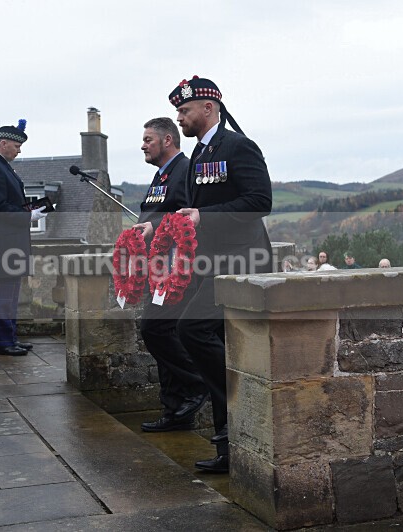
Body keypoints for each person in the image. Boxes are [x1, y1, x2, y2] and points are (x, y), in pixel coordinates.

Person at [170, 76, 273, 473]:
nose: (179, 117)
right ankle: (229, 450)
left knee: (191, 330)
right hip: (210, 262)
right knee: (217, 343)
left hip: (242, 259)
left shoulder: (237, 146)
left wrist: (203, 217)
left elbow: (260, 201)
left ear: (208, 107)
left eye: (184, 110)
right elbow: (191, 208)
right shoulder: (198, 155)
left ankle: (241, 398)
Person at [131, 117, 208, 433]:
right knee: (164, 334)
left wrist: (155, 229)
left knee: (155, 328)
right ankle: (176, 411)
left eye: (148, 139)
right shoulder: (161, 176)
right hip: (157, 267)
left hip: (178, 269)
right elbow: (156, 213)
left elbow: (190, 220)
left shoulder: (186, 171)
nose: (143, 145)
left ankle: (198, 382)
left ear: (167, 140)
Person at [0, 121, 46, 356]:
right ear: (3, 143)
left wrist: (30, 208)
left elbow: (9, 202)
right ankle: (4, 342)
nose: (19, 150)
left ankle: (11, 337)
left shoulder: (1, 165)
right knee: (3, 294)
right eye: (16, 145)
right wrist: (29, 215)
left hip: (10, 240)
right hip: (3, 242)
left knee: (11, 293)